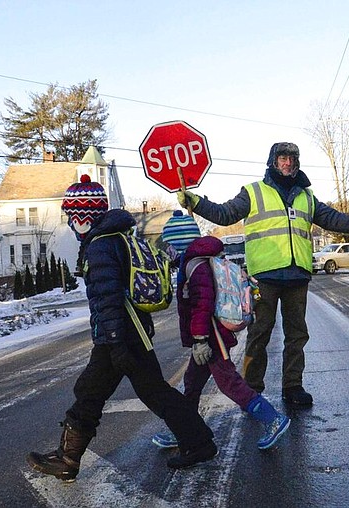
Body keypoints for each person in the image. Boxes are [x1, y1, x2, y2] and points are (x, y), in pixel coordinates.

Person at [27, 175, 217, 482]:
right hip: (130, 331)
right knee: (146, 392)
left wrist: (114, 344)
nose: (71, 223)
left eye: (71, 216)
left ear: (83, 217)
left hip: (120, 335)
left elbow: (108, 297)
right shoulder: (117, 237)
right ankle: (198, 441)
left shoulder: (100, 246)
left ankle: (68, 460)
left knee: (94, 392)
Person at [177, 142, 349, 407]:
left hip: (297, 275)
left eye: (293, 158)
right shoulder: (254, 192)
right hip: (264, 276)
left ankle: (293, 387)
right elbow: (225, 214)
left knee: (297, 334)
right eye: (283, 158)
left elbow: (335, 219)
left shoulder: (306, 196)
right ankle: (252, 388)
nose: (288, 163)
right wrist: (197, 202)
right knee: (260, 334)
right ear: (272, 161)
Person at [151, 229, 290, 450]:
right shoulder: (196, 261)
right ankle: (184, 430)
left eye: (170, 244)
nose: (168, 249)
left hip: (211, 337)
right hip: (209, 335)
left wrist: (199, 339)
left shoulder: (197, 268)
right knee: (192, 383)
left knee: (229, 383)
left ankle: (272, 418)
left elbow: (201, 306)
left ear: (181, 243)